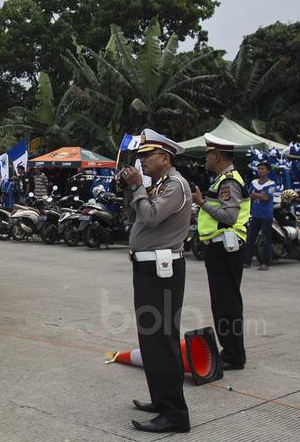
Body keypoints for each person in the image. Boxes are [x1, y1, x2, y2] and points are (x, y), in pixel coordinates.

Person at [120, 128, 192, 434]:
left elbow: (150, 217)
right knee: (152, 340)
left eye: (148, 156)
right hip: (150, 269)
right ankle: (163, 401)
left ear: (165, 157)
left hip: (162, 271)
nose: (142, 161)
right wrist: (132, 189)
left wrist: (138, 186)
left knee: (161, 341)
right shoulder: (160, 184)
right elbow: (138, 215)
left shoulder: (175, 185)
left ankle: (174, 414)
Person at [191, 133, 251, 372]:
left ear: (217, 155)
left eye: (208, 154)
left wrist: (201, 203)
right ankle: (231, 351)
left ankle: (233, 355)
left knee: (226, 303)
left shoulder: (229, 182)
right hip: (221, 248)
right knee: (224, 301)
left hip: (225, 248)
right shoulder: (221, 180)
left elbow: (229, 216)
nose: (206, 159)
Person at [247, 162, 279, 271]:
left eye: (262, 169)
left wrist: (256, 195)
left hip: (266, 215)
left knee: (266, 240)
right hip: (255, 214)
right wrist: (258, 195)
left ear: (268, 171)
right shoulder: (254, 182)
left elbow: (266, 198)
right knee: (250, 239)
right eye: (259, 168)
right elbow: (249, 196)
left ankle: (265, 263)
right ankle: (247, 261)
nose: (260, 170)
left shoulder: (271, 184)